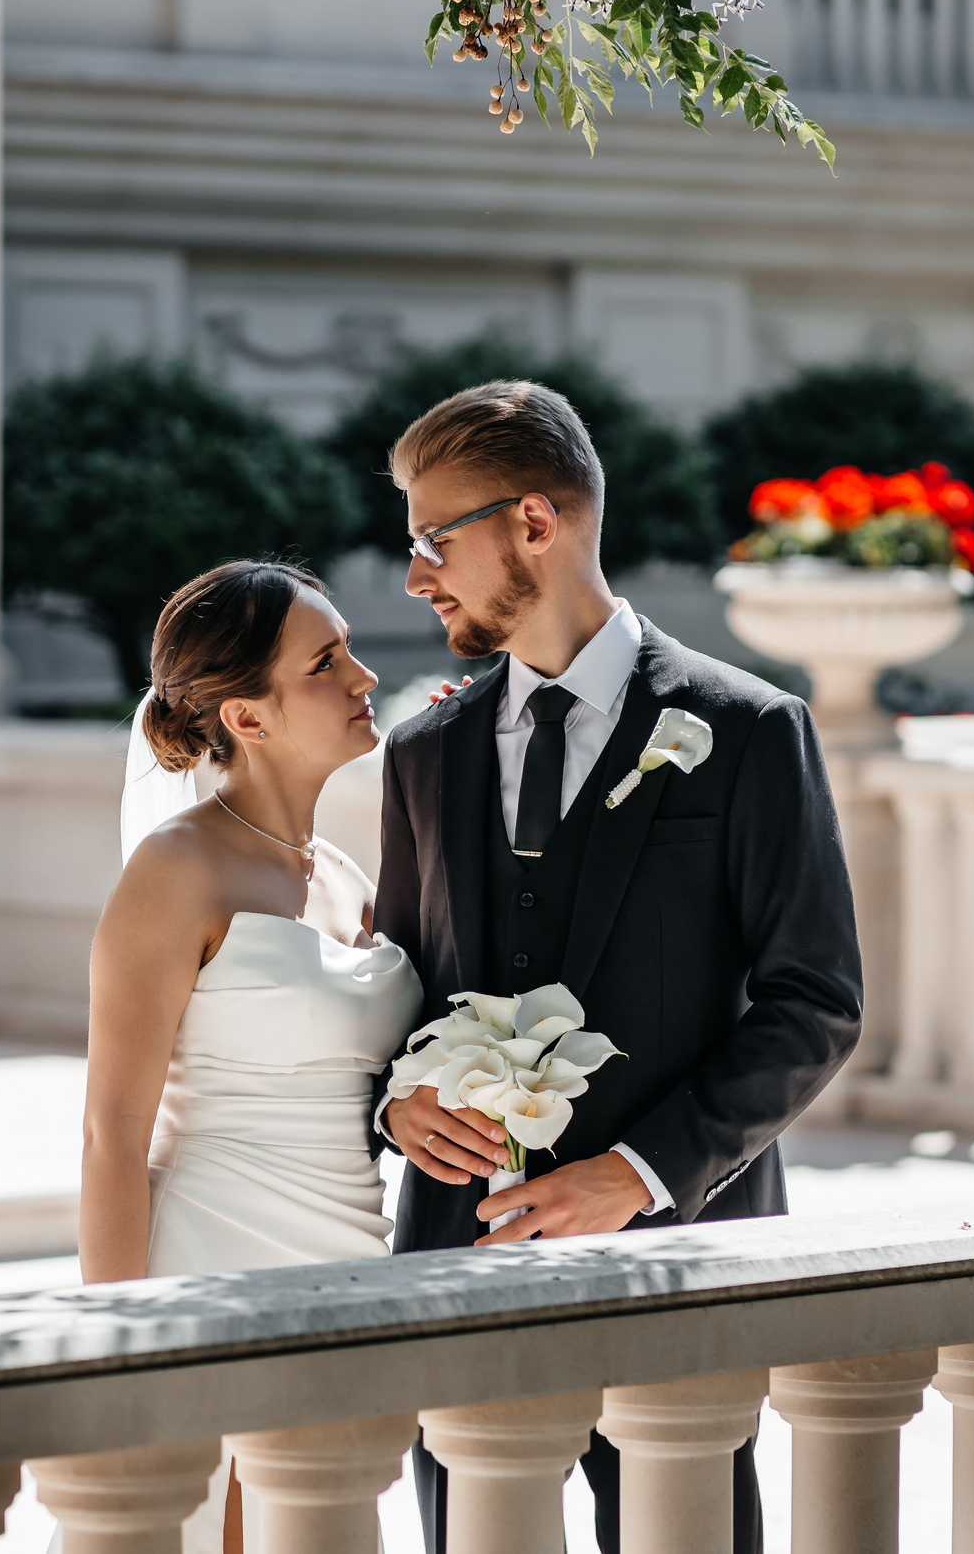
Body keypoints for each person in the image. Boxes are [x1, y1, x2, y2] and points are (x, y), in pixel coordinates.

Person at [374, 381, 864, 1554]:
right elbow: (393, 984)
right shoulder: (424, 752)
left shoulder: (747, 731)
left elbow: (814, 1005)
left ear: (534, 524)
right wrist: (398, 1102)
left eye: (434, 540)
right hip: (459, 1255)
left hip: (678, 1255)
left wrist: (638, 1172)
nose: (414, 577)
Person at [85, 559, 421, 1554]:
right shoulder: (174, 871)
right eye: (326, 662)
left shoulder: (347, 877)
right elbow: (112, 1132)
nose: (364, 677)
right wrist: (115, 1351)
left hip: (354, 1260)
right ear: (247, 716)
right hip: (215, 1261)